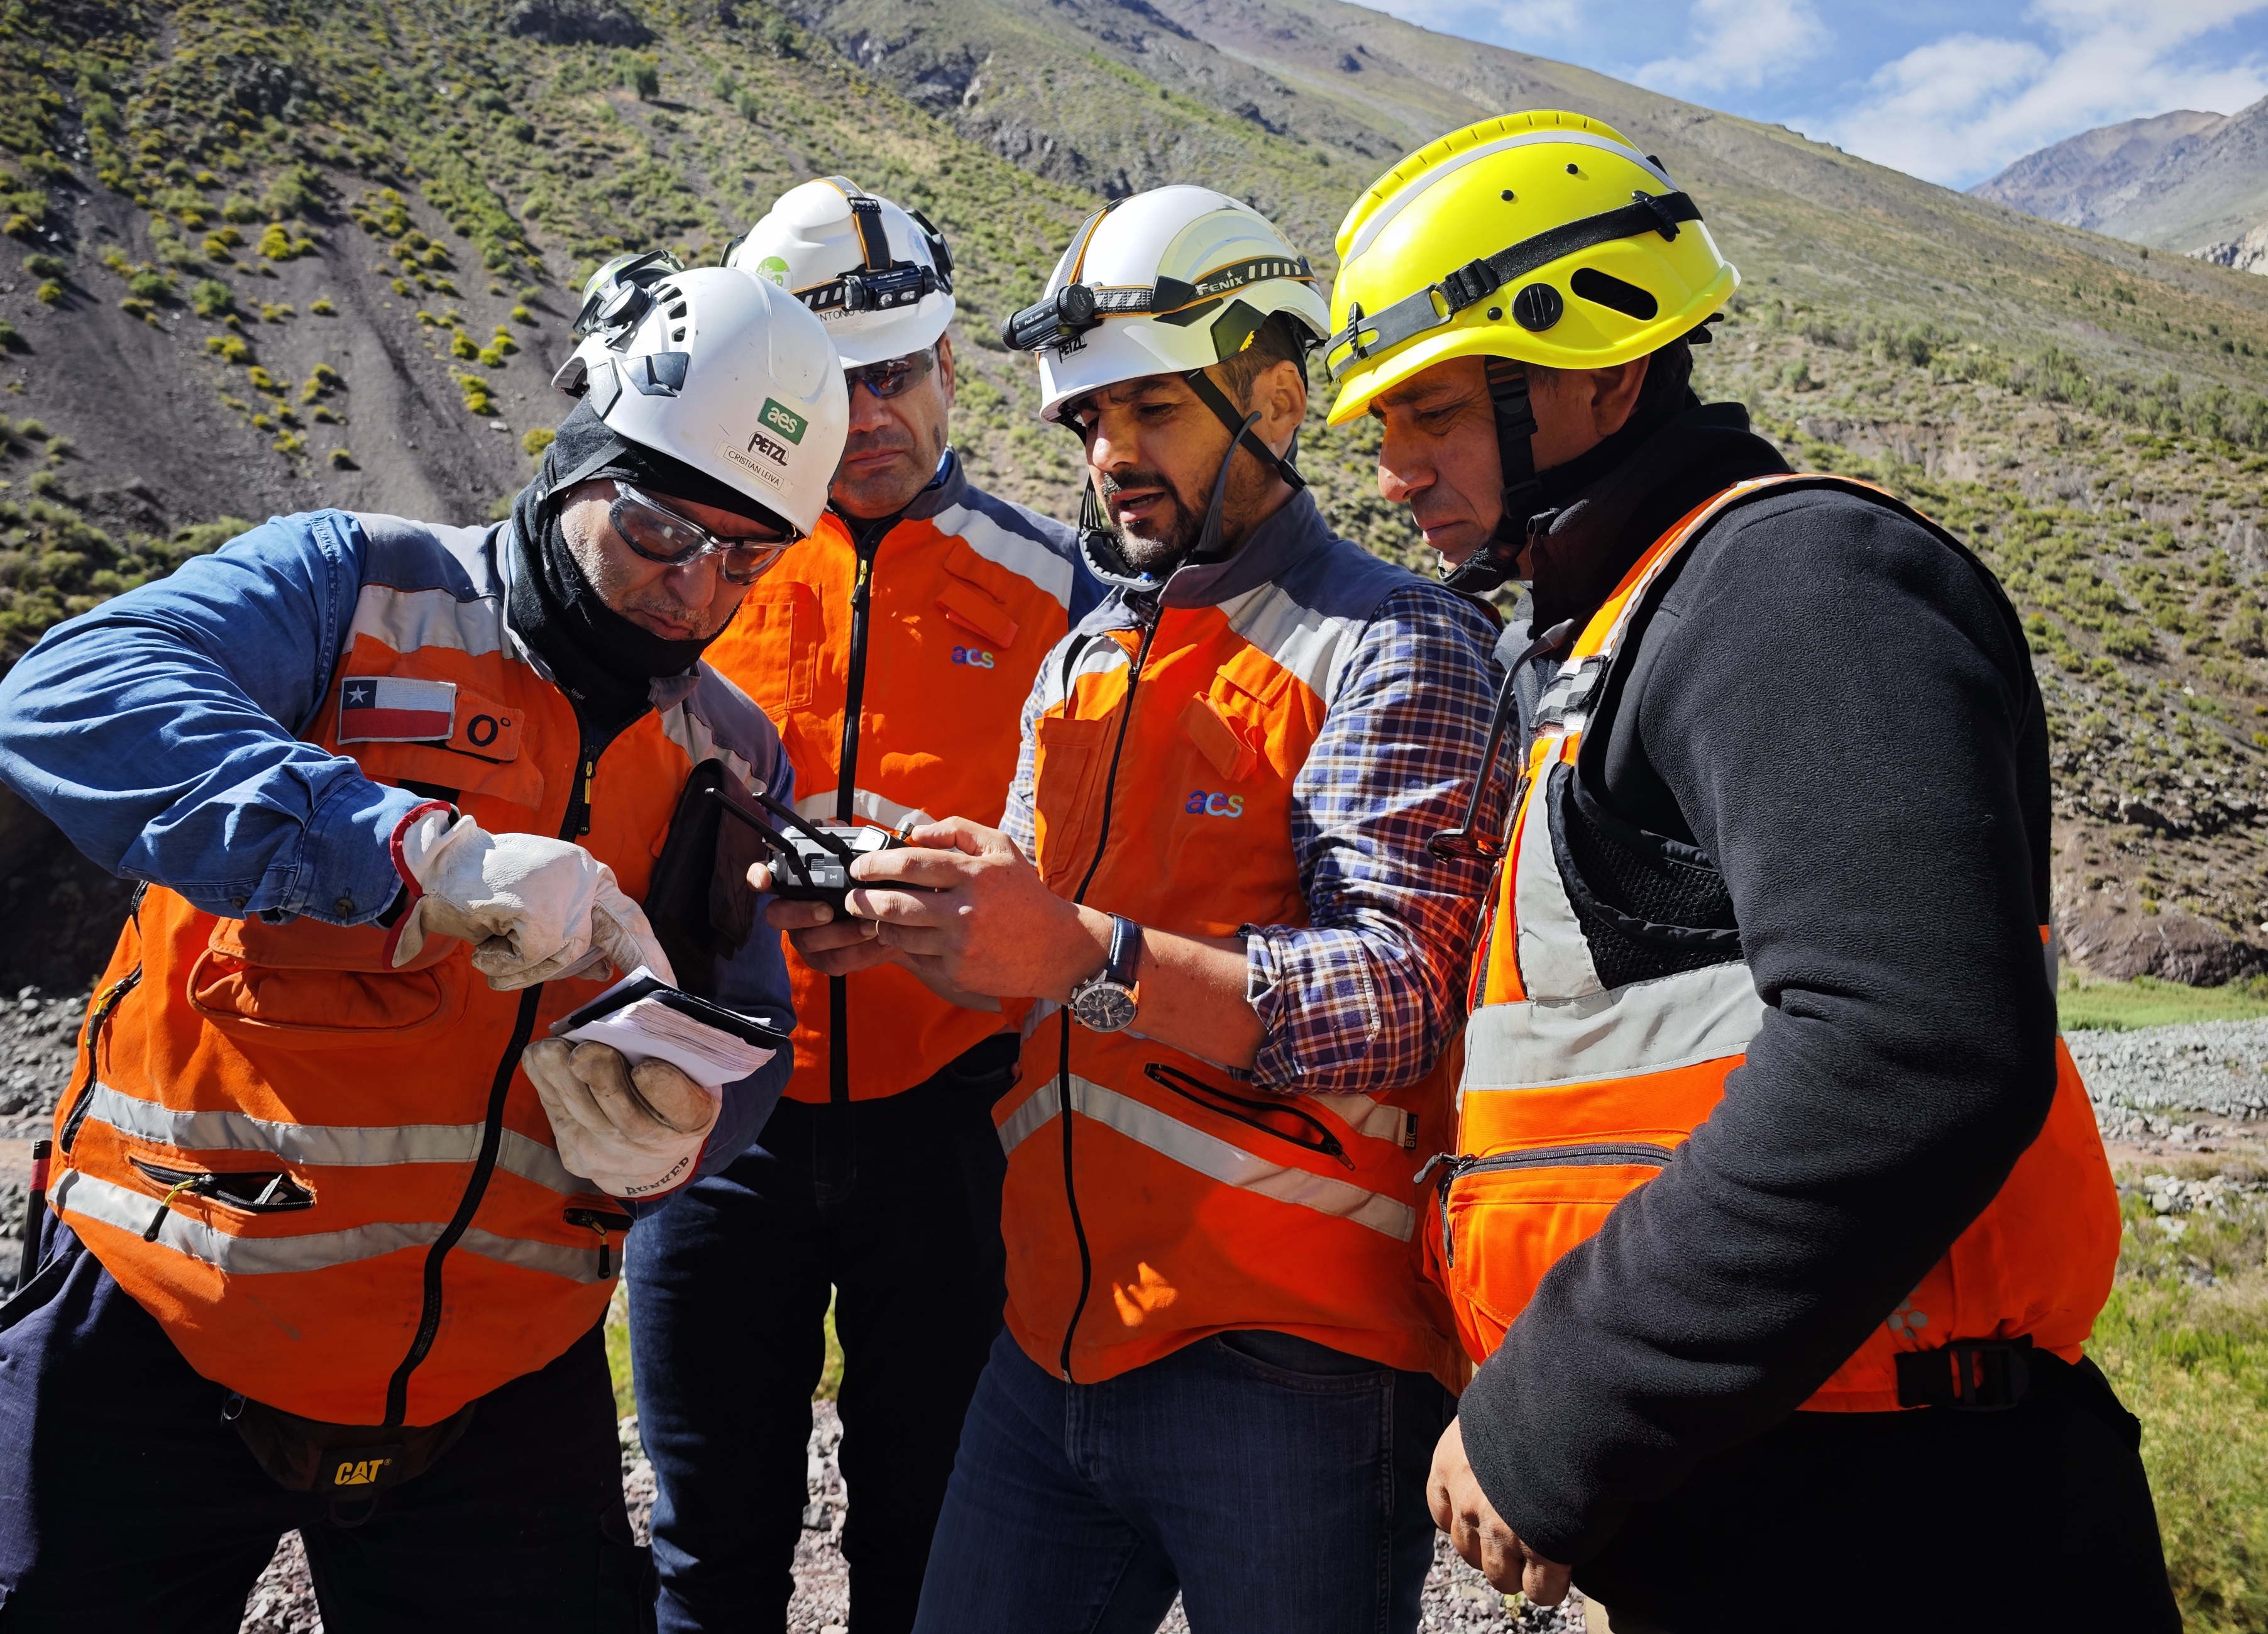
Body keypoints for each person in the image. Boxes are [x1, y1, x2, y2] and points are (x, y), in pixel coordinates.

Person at [1316, 109, 2172, 1632]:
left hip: (1904, 1531)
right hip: (1762, 1496)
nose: (1391, 476)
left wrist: (1559, 1408)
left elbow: (1905, 1044)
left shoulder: (1788, 590)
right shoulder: (1615, 630)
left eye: (1431, 414)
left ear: (1597, 367)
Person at [0, 267, 850, 1633]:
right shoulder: (344, 591)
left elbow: (742, 1017)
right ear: (577, 454)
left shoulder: (729, 751)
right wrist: (414, 855)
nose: (693, 587)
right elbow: (64, 703)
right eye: (657, 529)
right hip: (169, 1329)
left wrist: (690, 1128)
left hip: (499, 1380)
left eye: (746, 555)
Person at [771, 185, 1504, 1634]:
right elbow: (1041, 963)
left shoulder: (1392, 644)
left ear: (1279, 398)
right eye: (1086, 423)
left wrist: (1079, 952)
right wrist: (932, 923)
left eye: (1151, 411)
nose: (1109, 457)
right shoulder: (1088, 654)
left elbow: (1398, 994)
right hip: (1048, 1340)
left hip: (1294, 1360)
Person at [625, 179, 1098, 1634]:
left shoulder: (1057, 590)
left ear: (952, 366)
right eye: (830, 383)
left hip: (950, 1122)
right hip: (707, 1114)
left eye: (894, 372)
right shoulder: (687, 570)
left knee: (931, 1533)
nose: (870, 413)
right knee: (708, 1540)